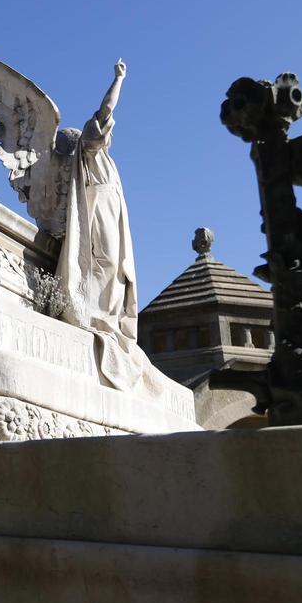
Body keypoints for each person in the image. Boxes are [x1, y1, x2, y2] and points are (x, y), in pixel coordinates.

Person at [55, 59, 193, 413]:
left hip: (113, 211)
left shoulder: (106, 162)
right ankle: (99, 315)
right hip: (99, 210)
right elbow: (105, 110)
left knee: (120, 271)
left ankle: (111, 318)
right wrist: (118, 79)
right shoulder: (88, 148)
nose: (105, 133)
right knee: (106, 264)